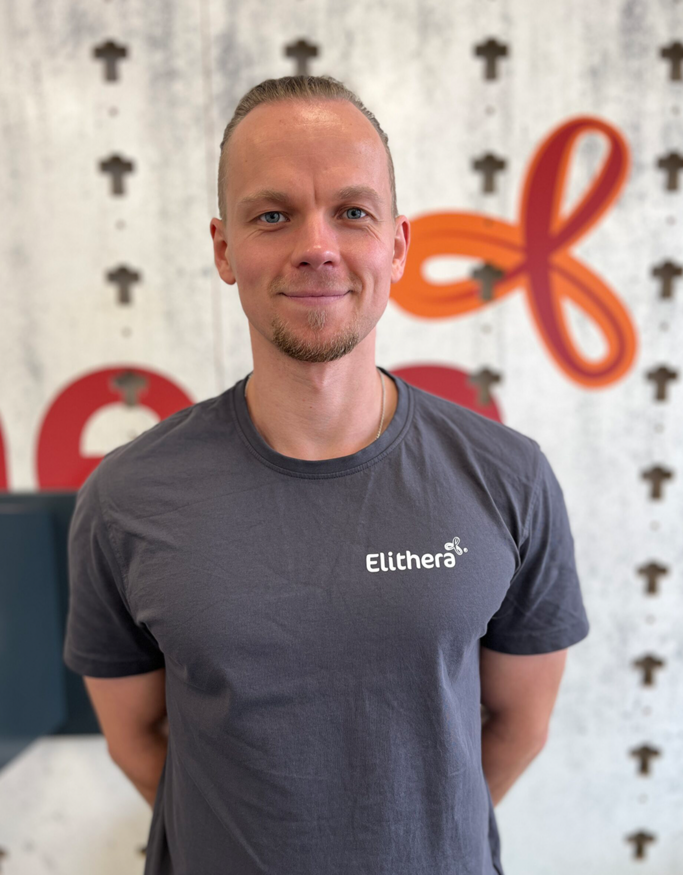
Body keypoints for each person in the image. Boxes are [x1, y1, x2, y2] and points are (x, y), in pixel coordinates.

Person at [63, 74, 590, 875]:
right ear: (223, 249)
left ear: (398, 245)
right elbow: (136, 737)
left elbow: (521, 724)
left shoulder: (507, 476)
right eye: (273, 215)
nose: (317, 245)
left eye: (352, 211)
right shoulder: (127, 497)